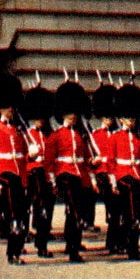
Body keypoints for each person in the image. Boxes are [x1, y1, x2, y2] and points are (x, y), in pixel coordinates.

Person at [0, 74, 30, 264]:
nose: (11, 109)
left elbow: (23, 155)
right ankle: (12, 253)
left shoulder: (19, 130)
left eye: (12, 105)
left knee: (23, 216)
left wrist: (31, 154)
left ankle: (17, 249)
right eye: (8, 106)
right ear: (0, 107)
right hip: (5, 177)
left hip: (20, 177)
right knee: (15, 216)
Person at [47, 80, 94, 263]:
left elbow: (86, 157)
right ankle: (73, 250)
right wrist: (52, 181)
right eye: (69, 113)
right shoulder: (56, 136)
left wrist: (91, 161)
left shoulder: (81, 135)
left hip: (79, 176)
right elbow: (49, 161)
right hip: (64, 175)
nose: (73, 116)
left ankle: (71, 244)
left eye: (75, 112)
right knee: (74, 210)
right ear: (62, 114)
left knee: (76, 210)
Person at [110, 83, 140, 260]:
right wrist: (112, 182)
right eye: (128, 117)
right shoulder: (115, 137)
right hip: (123, 176)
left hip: (138, 176)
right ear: (121, 118)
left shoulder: (139, 137)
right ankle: (132, 249)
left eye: (133, 116)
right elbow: (111, 162)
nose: (131, 120)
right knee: (132, 214)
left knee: (133, 212)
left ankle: (127, 243)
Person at [23, 85, 56, 258]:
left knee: (45, 210)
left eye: (41, 116)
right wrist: (30, 155)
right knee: (24, 210)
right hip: (31, 175)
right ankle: (20, 239)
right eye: (36, 116)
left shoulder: (52, 135)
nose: (39, 120)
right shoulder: (26, 134)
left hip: (48, 176)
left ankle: (41, 243)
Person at [90, 83, 121, 254]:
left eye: (111, 115)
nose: (109, 119)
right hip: (102, 176)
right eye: (106, 116)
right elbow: (90, 163)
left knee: (118, 211)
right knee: (114, 208)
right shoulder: (95, 135)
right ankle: (112, 242)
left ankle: (115, 242)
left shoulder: (119, 134)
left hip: (117, 175)